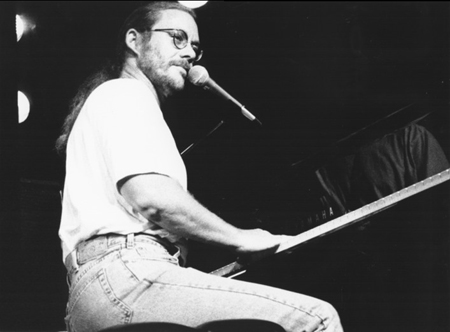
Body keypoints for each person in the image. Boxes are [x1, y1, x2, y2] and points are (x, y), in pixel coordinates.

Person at [56, 2, 343, 332]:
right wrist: (241, 239)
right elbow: (151, 196)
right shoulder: (126, 93)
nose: (190, 53)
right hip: (125, 276)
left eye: (195, 46)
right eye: (177, 37)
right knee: (315, 319)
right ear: (134, 41)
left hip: (99, 290)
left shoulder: (111, 103)